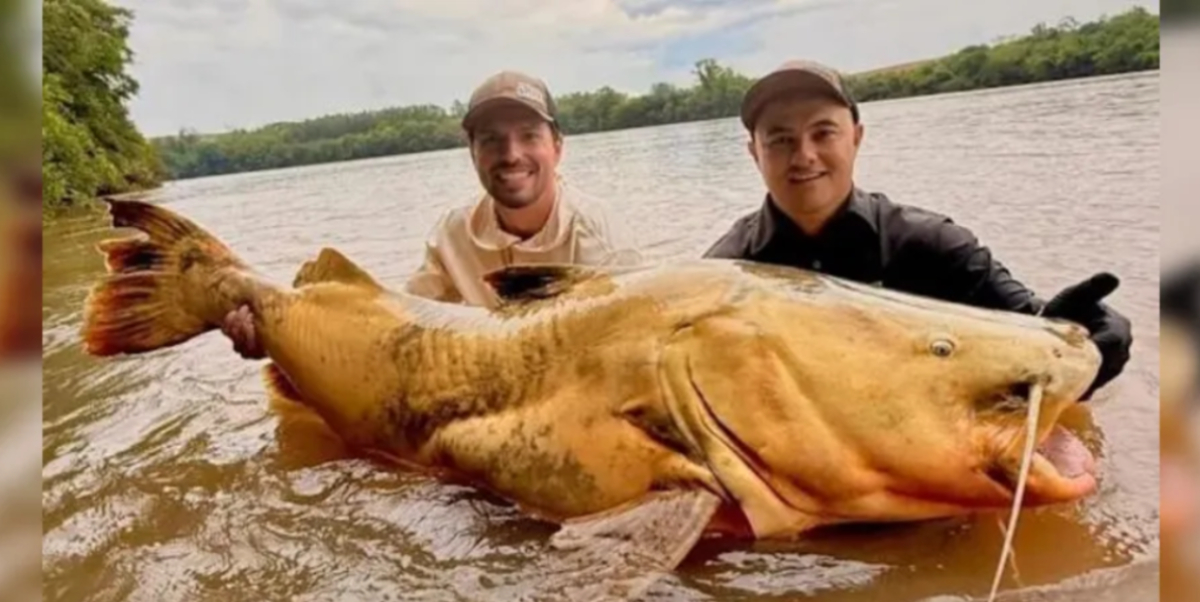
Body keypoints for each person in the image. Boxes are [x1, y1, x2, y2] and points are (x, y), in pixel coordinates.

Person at [704, 60, 1132, 400]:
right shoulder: (723, 276)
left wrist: (1089, 341)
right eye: (780, 140)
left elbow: (1027, 330)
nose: (804, 156)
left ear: (856, 137)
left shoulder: (932, 244)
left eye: (823, 133)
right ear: (753, 153)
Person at [221, 70, 642, 358]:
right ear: (473, 153)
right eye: (492, 141)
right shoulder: (453, 232)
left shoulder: (602, 240)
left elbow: (624, 357)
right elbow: (397, 331)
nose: (511, 155)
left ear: (558, 147)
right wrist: (282, 337)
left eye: (529, 136)